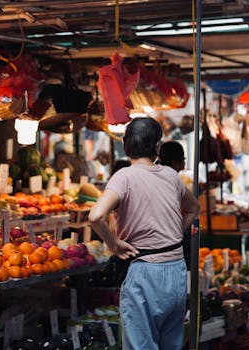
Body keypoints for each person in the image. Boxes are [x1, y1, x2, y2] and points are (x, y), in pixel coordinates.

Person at [89, 118, 199, 350]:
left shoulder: (124, 177)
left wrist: (114, 244)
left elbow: (95, 216)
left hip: (144, 271)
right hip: (176, 269)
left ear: (125, 145)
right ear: (157, 147)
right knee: (171, 345)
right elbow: (192, 208)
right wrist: (175, 233)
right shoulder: (171, 175)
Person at [158, 141, 191, 269]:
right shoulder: (172, 178)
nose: (184, 163)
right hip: (168, 239)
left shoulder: (154, 173)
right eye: (183, 160)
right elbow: (193, 208)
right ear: (175, 162)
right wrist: (179, 231)